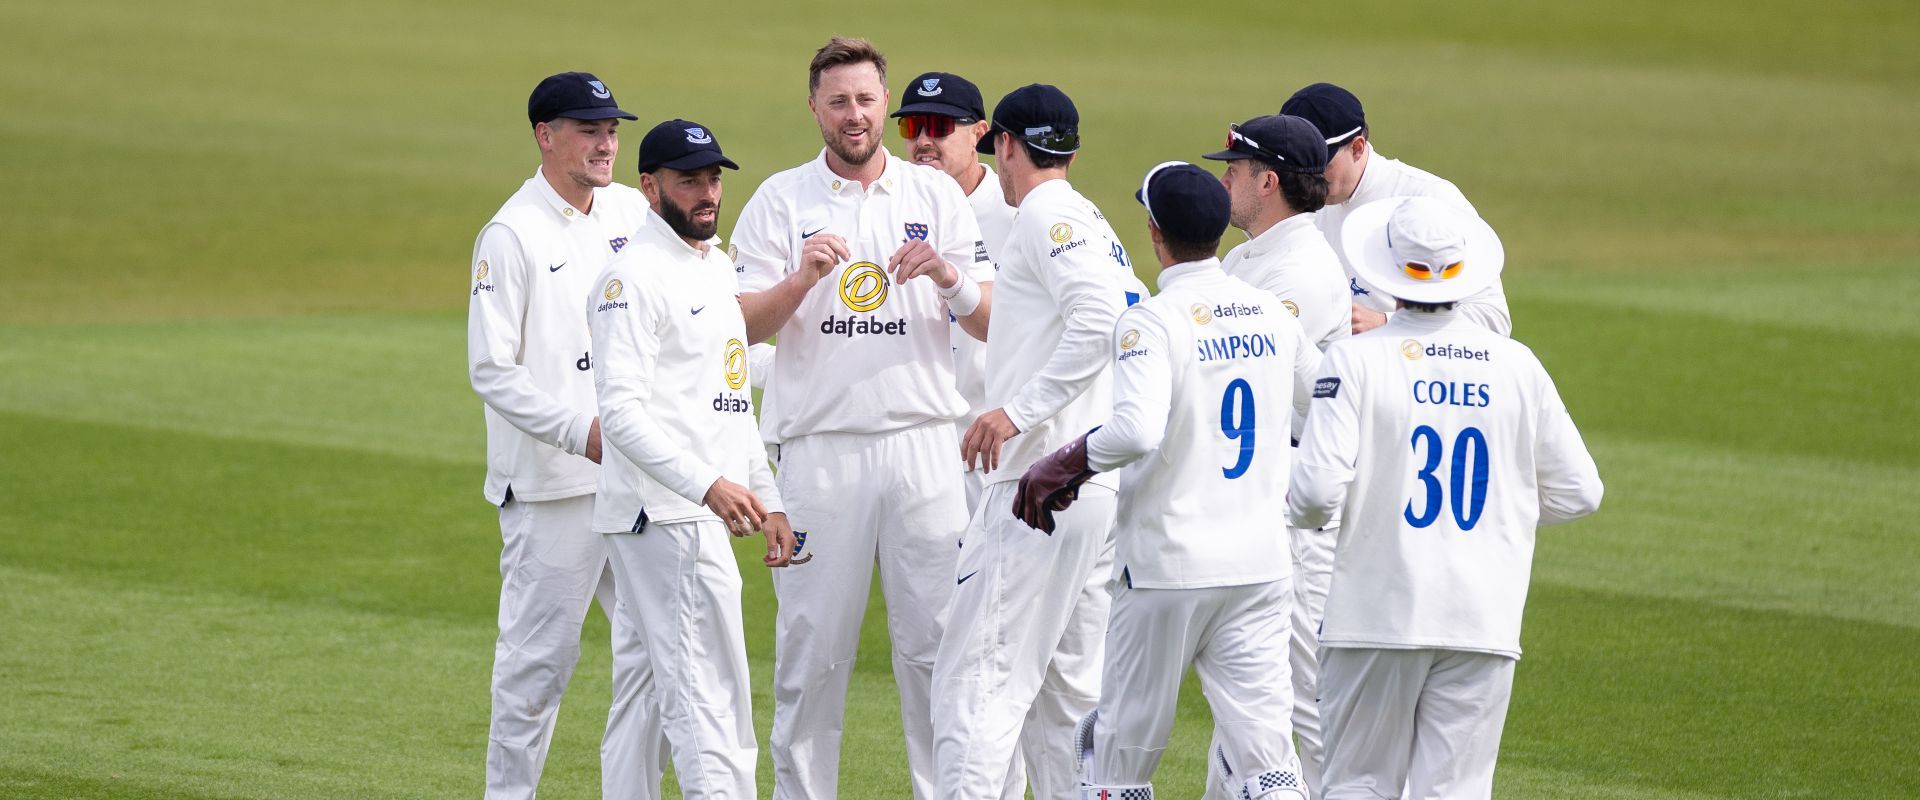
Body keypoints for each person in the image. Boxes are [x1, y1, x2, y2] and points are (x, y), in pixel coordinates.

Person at [728, 37, 995, 800]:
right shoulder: (781, 199)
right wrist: (801, 279)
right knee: (812, 654)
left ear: (887, 106)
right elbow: (740, 325)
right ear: (814, 106)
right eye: (839, 101)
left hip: (922, 448)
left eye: (867, 100)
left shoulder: (935, 196)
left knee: (937, 651)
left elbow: (987, 320)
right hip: (821, 452)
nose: (854, 115)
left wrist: (947, 276)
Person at [1015, 162, 1321, 800]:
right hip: (1260, 566)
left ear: (1155, 233)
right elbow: (1322, 403)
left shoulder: (1153, 320)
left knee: (1117, 765)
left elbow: (1134, 431)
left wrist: (1059, 465)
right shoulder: (1272, 313)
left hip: (1167, 571)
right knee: (1269, 758)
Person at [1289, 197, 1603, 799]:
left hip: (1374, 617)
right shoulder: (1519, 365)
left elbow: (1314, 494)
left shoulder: (1354, 360)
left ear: (1387, 271)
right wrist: (1503, 516)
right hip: (1483, 617)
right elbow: (1581, 492)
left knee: (1356, 784)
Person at [934, 83, 1147, 800]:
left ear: (1005, 145)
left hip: (1038, 484)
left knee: (977, 684)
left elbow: (1099, 320)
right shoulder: (1090, 216)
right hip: (1093, 484)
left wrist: (1015, 413)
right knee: (1067, 697)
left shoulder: (1041, 215)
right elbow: (1127, 319)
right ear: (1074, 150)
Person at [466, 71, 665, 800]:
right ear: (546, 136)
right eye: (589, 130)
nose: (607, 143)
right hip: (553, 487)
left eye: (612, 129)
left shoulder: (631, 211)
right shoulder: (512, 232)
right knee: (536, 670)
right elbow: (492, 370)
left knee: (658, 655)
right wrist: (583, 433)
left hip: (633, 477)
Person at [589, 119, 796, 799]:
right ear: (649, 187)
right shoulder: (634, 278)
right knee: (712, 704)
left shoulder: (714, 264)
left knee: (643, 707)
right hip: (669, 518)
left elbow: (731, 398)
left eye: (712, 177)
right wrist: (707, 486)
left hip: (684, 511)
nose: (707, 192)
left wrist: (769, 498)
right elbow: (620, 413)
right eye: (688, 179)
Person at [1200, 112, 1347, 796]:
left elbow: (1239, 375)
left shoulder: (1303, 270)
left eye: (1233, 170)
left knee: (1299, 696)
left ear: (1268, 181)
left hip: (1294, 507)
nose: (1223, 181)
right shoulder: (1248, 256)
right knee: (1247, 691)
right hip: (1250, 497)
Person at [1280, 83, 1513, 337]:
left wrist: (1386, 323)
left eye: (1320, 162)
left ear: (1357, 147)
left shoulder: (1432, 199)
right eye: (1297, 163)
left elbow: (1493, 319)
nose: (1306, 175)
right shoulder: (1296, 199)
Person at [890, 70, 1016, 512]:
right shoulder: (888, 205)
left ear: (980, 133)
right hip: (914, 446)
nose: (924, 140)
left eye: (940, 127)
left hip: (993, 449)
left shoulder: (1018, 211)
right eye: (912, 127)